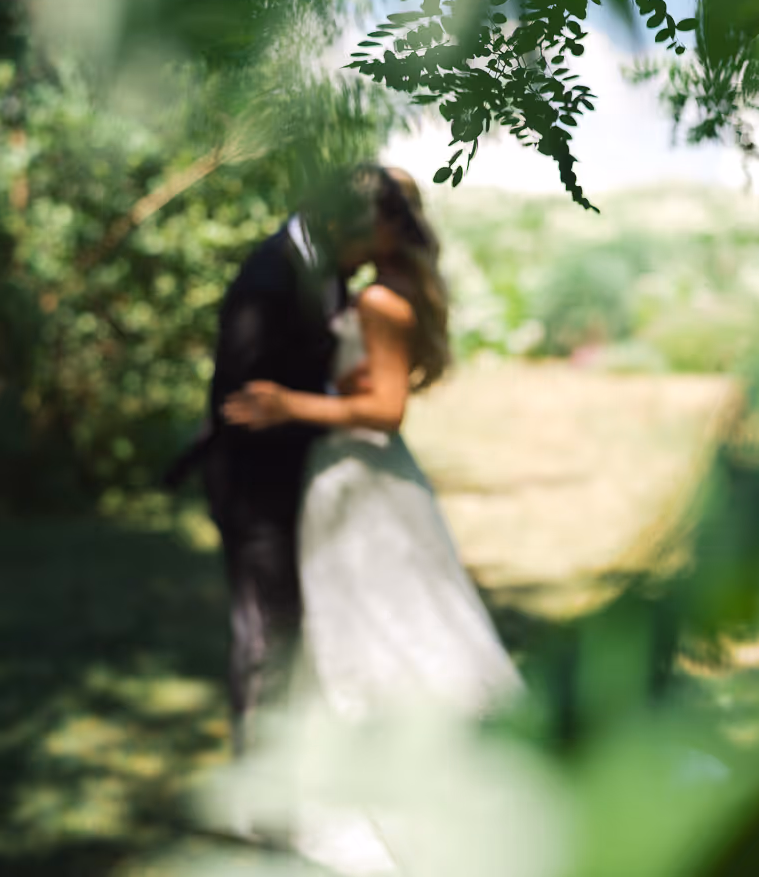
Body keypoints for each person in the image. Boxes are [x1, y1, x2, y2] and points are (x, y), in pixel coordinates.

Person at [223, 166, 521, 727]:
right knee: (388, 610)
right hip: (364, 470)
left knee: (373, 615)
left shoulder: (381, 300)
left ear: (387, 226)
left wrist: (291, 404)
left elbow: (386, 410)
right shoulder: (390, 291)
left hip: (359, 469)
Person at [169, 168, 379, 754]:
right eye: (367, 241)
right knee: (270, 631)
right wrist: (332, 409)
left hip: (303, 477)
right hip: (256, 485)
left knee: (298, 624)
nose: (369, 260)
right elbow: (246, 399)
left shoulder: (320, 264)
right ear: (338, 225)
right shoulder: (271, 275)